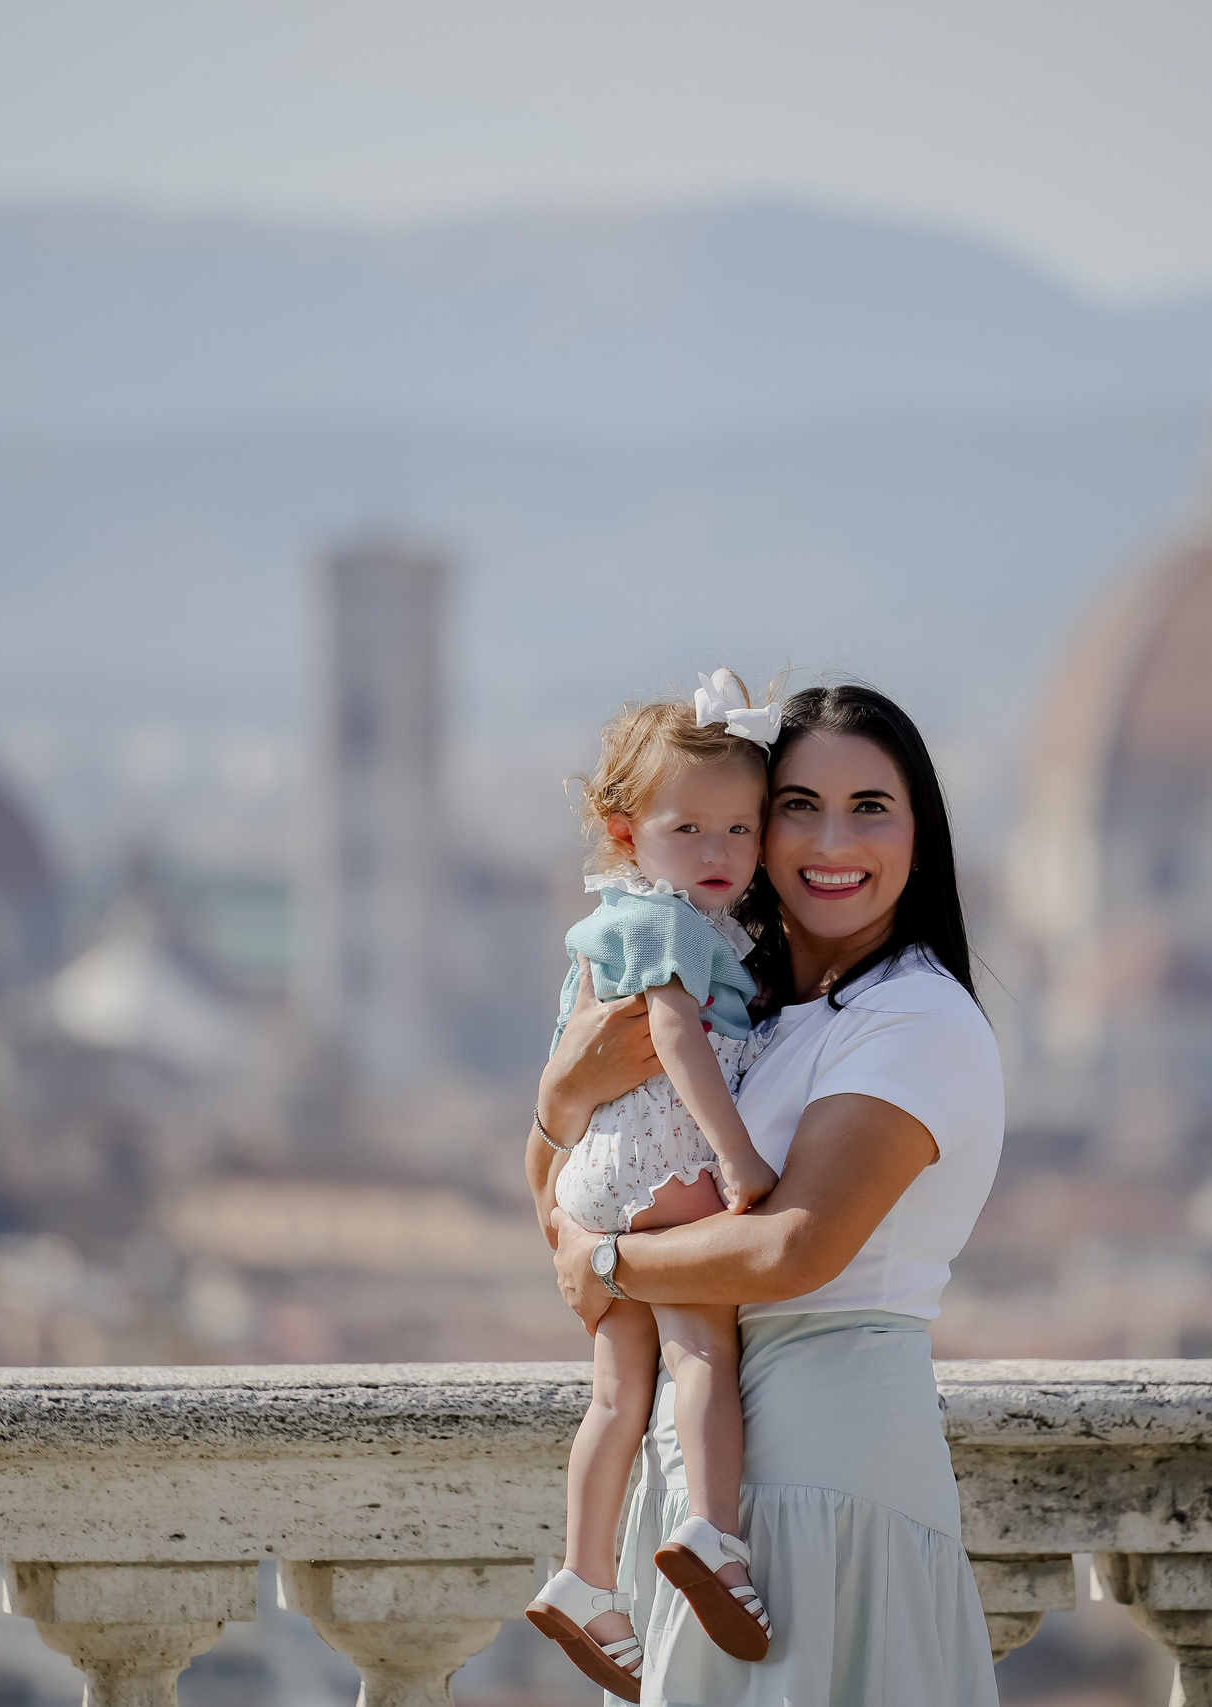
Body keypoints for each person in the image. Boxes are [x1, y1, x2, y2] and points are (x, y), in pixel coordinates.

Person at [528, 682, 1006, 1707]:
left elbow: (793, 1250)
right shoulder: (744, 1009)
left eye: (869, 807)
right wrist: (563, 1091)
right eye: (798, 805)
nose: (830, 839)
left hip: (828, 1476)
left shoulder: (913, 1019)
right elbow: (559, 1180)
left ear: (921, 837)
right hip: (717, 1501)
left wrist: (607, 1262)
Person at [524, 672, 786, 1700]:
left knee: (614, 1392)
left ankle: (587, 1576)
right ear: (628, 834)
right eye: (692, 830)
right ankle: (714, 1537)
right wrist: (735, 1159)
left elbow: (569, 1054)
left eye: (740, 829)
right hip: (663, 1164)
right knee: (702, 1358)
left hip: (597, 1173)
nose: (720, 854)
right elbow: (675, 1037)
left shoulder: (613, 923)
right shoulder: (676, 927)